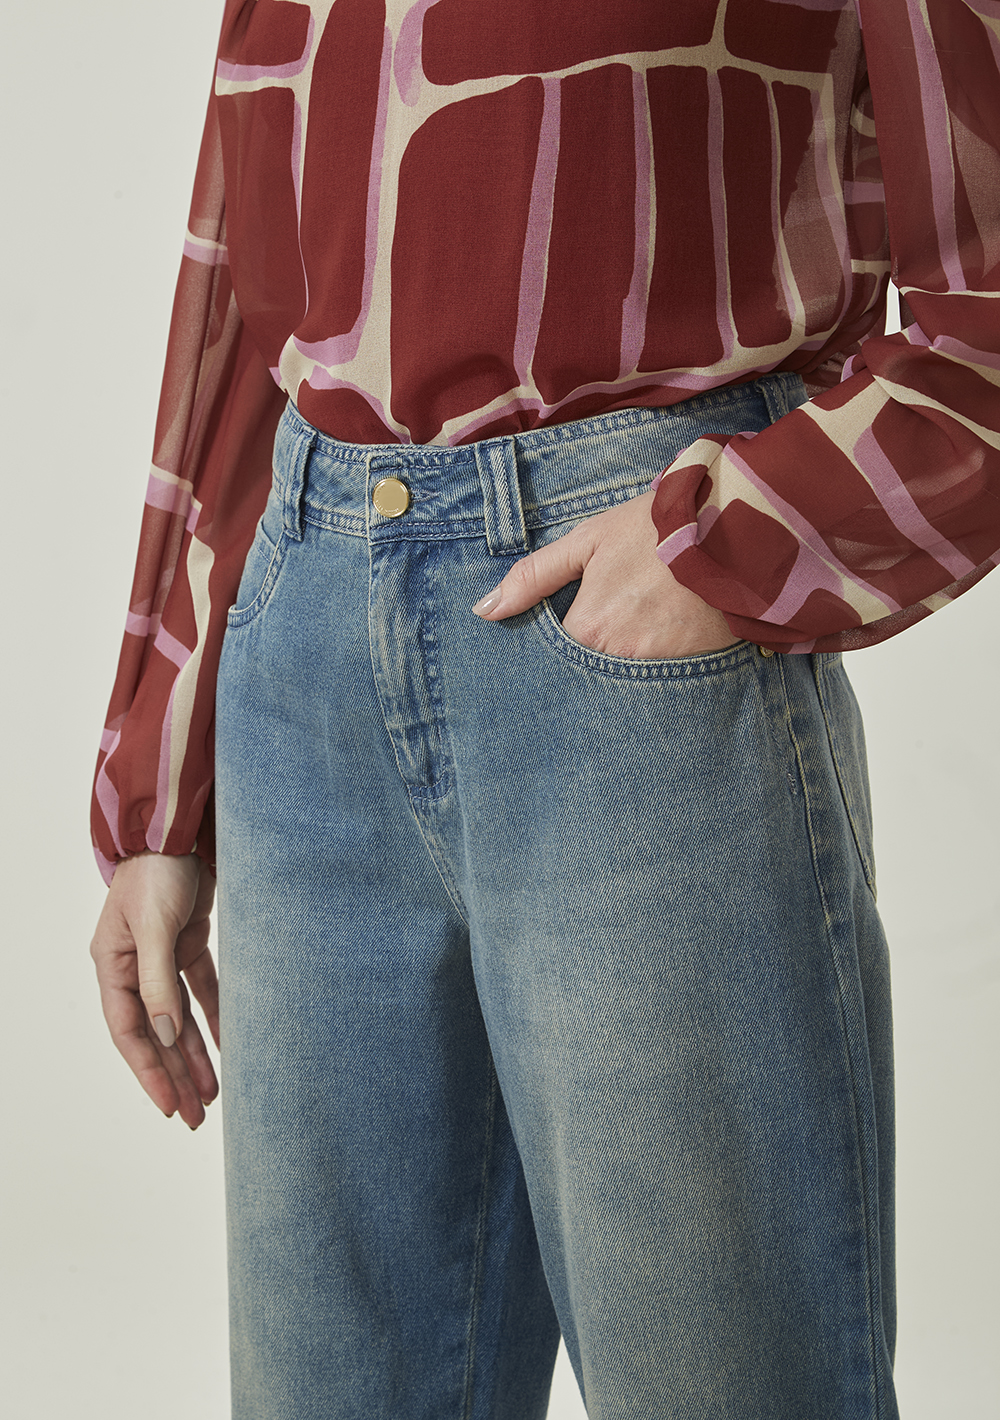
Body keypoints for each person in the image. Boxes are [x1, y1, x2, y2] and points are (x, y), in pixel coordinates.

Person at [89, 3, 1000, 1416]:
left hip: (631, 630)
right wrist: (164, 769)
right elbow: (254, 270)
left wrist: (733, 536)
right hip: (306, 636)